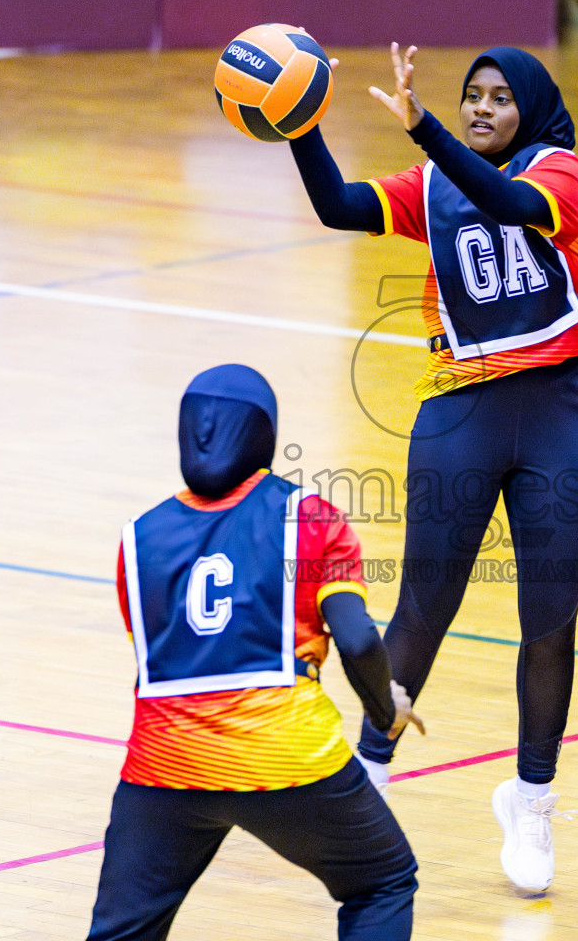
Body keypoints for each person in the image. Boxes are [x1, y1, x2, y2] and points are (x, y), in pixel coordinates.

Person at [287, 43, 578, 893]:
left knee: (551, 616)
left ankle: (531, 799)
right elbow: (336, 205)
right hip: (458, 414)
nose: (482, 108)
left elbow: (508, 201)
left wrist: (424, 127)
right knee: (424, 606)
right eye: (471, 97)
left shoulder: (559, 172)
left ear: (528, 107)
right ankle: (368, 778)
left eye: (499, 97)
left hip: (554, 416)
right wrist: (299, 123)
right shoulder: (432, 185)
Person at [86, 364, 423, 940]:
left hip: (165, 766)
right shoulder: (311, 518)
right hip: (284, 757)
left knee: (121, 934)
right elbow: (359, 639)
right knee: (382, 882)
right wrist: (383, 709)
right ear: (264, 437)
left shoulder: (136, 540)